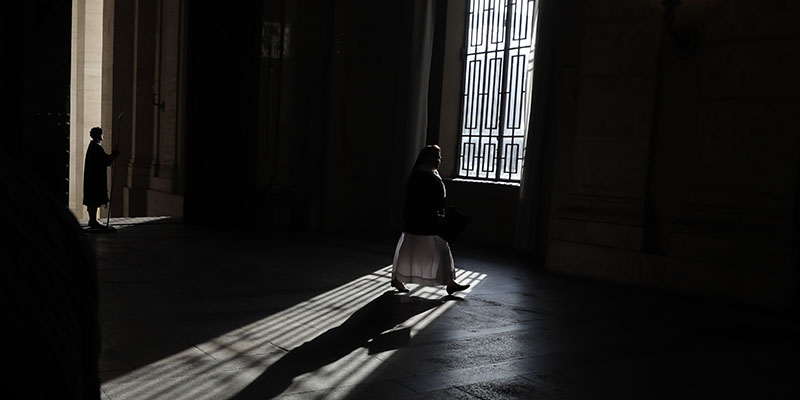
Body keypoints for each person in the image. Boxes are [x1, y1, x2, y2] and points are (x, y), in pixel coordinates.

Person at [391, 145, 470, 295]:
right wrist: (435, 217)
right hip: (423, 220)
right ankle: (397, 279)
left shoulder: (430, 173)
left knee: (440, 248)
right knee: (411, 249)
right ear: (428, 158)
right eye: (437, 157)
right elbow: (420, 202)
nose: (440, 160)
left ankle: (450, 281)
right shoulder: (421, 177)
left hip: (431, 219)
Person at [83, 127, 119, 228]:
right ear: (99, 135)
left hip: (93, 178)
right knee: (94, 200)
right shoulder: (96, 148)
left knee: (93, 200)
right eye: (102, 134)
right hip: (95, 180)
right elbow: (107, 161)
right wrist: (114, 154)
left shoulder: (93, 147)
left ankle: (93, 220)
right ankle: (93, 221)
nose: (103, 135)